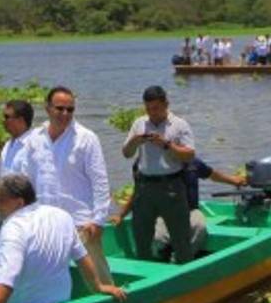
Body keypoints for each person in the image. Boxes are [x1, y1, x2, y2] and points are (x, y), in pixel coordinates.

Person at [0, 175, 126, 303]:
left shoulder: (14, 228)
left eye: (0, 200)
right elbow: (81, 257)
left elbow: (8, 276)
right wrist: (98, 286)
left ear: (19, 203)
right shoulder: (61, 216)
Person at [28, 86, 114, 285]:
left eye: (70, 109)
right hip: (45, 223)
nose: (65, 114)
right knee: (48, 278)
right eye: (60, 108)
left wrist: (99, 220)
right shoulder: (35, 138)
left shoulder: (86, 138)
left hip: (81, 223)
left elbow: (100, 180)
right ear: (47, 108)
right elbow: (29, 179)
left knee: (99, 280)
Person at [112, 159, 247, 258]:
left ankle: (181, 258)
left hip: (190, 211)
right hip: (162, 213)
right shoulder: (145, 166)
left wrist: (234, 180)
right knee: (158, 238)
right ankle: (161, 259)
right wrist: (121, 215)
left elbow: (212, 174)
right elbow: (138, 193)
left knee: (199, 226)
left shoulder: (192, 163)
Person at [121, 86, 196, 263]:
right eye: (148, 109)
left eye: (156, 108)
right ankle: (146, 276)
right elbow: (126, 153)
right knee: (141, 236)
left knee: (180, 237)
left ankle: (186, 274)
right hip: (144, 187)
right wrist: (134, 141)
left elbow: (190, 155)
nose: (152, 113)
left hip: (171, 187)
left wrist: (166, 144)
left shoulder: (179, 124)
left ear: (166, 104)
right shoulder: (139, 123)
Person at [0, 99, 39, 180]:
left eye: (7, 117)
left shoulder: (34, 146)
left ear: (20, 120)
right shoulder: (8, 145)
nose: (3, 120)